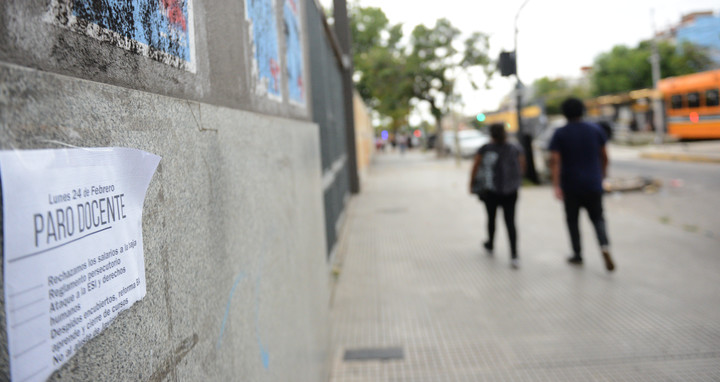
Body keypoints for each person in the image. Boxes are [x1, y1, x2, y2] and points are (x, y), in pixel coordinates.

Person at [549, 97, 615, 271]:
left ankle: (577, 254)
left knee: (573, 221)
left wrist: (556, 185)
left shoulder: (560, 133)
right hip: (593, 183)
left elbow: (555, 161)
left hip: (570, 186)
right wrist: (602, 176)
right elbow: (605, 156)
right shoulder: (595, 129)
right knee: (598, 218)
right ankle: (604, 246)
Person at [469, 123, 525, 268]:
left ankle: (491, 245)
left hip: (491, 191)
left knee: (491, 219)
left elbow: (476, 166)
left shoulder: (486, 148)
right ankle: (514, 255)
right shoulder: (514, 148)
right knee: (510, 222)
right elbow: (522, 166)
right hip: (511, 190)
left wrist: (471, 184)